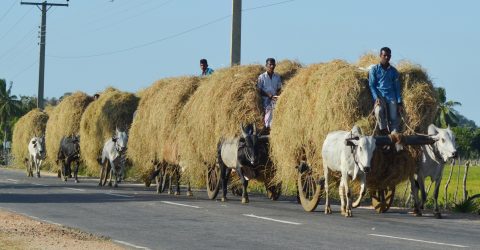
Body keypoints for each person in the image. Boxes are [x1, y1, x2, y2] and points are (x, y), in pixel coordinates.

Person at [369, 47, 403, 135]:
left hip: (391, 96)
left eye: (388, 56)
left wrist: (399, 102)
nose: (386, 57)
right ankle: (383, 129)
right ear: (380, 56)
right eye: (384, 55)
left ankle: (394, 134)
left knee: (394, 117)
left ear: (390, 56)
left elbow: (397, 87)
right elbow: (372, 85)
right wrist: (376, 97)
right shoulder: (374, 70)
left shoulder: (394, 71)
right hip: (380, 96)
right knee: (378, 111)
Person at [257, 58, 282, 129]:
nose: (272, 66)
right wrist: (269, 95)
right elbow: (259, 89)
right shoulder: (262, 77)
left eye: (273, 65)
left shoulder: (277, 77)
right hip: (265, 99)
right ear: (266, 65)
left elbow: (279, 88)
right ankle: (268, 126)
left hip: (275, 98)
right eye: (270, 64)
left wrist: (276, 96)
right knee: (269, 109)